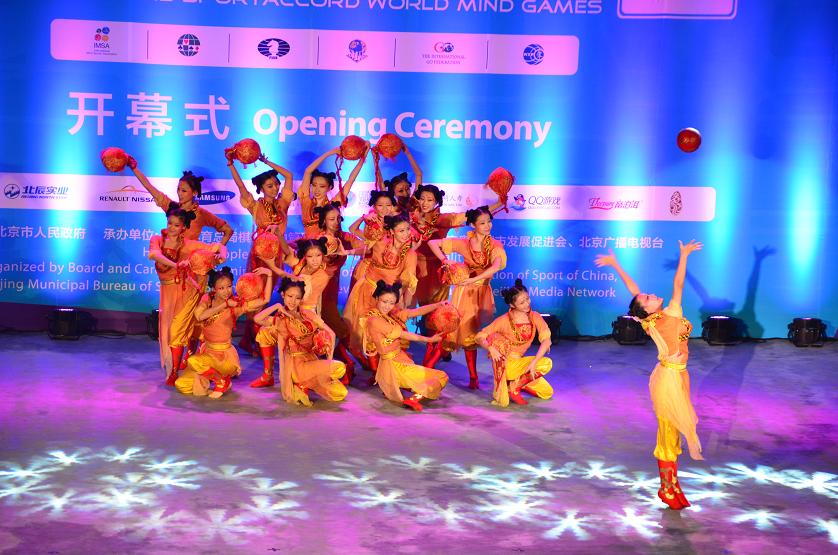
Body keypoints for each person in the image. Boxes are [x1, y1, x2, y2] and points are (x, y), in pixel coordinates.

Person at [594, 240, 704, 510]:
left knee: (673, 432)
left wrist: (616, 265)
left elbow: (634, 291)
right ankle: (666, 488)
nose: (651, 295)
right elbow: (678, 285)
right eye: (648, 298)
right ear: (646, 309)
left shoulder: (652, 317)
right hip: (669, 380)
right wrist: (684, 256)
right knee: (668, 433)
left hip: (677, 376)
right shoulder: (666, 316)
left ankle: (671, 485)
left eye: (649, 295)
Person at [427, 206, 507, 389]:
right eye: (482, 223)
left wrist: (474, 279)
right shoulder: (464, 243)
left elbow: (495, 267)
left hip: (481, 292)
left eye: (489, 222)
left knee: (469, 333)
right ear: (472, 225)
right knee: (456, 331)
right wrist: (446, 261)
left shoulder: (494, 245)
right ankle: (467, 377)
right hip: (464, 293)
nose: (487, 226)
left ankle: (471, 377)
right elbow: (433, 243)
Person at [147, 207, 227, 385]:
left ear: (183, 227)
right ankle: (184, 363)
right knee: (168, 331)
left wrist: (220, 255)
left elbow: (218, 247)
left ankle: (174, 372)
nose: (172, 227)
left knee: (176, 331)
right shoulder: (157, 240)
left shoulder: (188, 244)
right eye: (170, 223)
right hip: (168, 292)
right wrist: (176, 265)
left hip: (186, 292)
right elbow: (153, 255)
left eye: (177, 225)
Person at [226, 150, 296, 356]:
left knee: (266, 295)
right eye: (269, 186)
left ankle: (248, 340)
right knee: (255, 295)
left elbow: (289, 176)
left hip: (278, 255)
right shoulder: (256, 206)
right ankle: (254, 340)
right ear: (261, 188)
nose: (275, 188)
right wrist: (231, 165)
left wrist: (266, 161)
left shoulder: (282, 204)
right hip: (260, 257)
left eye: (275, 184)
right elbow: (240, 187)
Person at [174, 267, 273, 399]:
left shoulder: (237, 305)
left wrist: (269, 275)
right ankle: (214, 378)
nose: (226, 291)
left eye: (229, 287)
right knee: (181, 385)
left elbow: (265, 300)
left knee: (193, 361)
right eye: (221, 288)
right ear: (214, 289)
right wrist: (224, 305)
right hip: (207, 355)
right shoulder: (207, 299)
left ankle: (221, 381)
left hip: (224, 358)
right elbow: (199, 316)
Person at [253, 278, 348, 406]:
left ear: (301, 299)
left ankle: (304, 384)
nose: (293, 301)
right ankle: (299, 383)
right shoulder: (280, 319)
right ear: (283, 295)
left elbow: (331, 333)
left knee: (340, 393)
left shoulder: (307, 314)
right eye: (290, 296)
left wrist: (328, 360)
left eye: (297, 298)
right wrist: (277, 306)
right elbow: (257, 319)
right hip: (296, 365)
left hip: (311, 359)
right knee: (339, 367)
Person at [343, 213, 418, 372]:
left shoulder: (410, 254)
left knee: (389, 332)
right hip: (368, 291)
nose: (406, 234)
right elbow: (354, 231)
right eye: (401, 230)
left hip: (389, 296)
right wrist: (364, 218)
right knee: (365, 330)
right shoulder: (379, 242)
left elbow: (407, 280)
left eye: (407, 229)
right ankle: (373, 369)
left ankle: (386, 369)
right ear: (391, 231)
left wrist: (401, 301)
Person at [363, 281, 448, 411]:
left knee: (427, 380)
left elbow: (415, 312)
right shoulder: (374, 320)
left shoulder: (390, 315)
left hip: (400, 360)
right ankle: (413, 399)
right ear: (376, 298)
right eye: (384, 301)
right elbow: (403, 334)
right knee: (441, 376)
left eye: (391, 303)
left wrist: (438, 305)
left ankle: (395, 387)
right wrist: (429, 339)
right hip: (393, 366)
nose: (387, 306)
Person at [475, 280, 553, 407]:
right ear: (512, 305)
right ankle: (514, 386)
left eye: (527, 299)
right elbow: (479, 336)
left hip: (522, 366)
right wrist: (490, 348)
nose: (527, 304)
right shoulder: (503, 320)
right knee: (546, 363)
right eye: (522, 302)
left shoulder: (535, 316)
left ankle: (517, 382)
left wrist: (534, 362)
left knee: (547, 392)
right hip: (508, 365)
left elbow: (546, 340)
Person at [315, 202, 366, 383]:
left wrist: (348, 251)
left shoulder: (344, 237)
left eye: (338, 218)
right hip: (319, 288)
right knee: (335, 327)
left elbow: (366, 247)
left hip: (333, 286)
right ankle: (348, 363)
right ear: (323, 221)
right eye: (331, 219)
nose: (336, 222)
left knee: (334, 326)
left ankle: (343, 360)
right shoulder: (320, 239)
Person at [128, 157, 233, 244]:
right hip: (168, 259)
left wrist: (216, 252)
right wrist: (134, 168)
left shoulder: (201, 214)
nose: (179, 193)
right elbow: (148, 186)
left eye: (184, 191)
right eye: (178, 189)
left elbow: (228, 230)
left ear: (194, 193)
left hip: (189, 261)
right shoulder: (172, 207)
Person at [298, 143, 369, 237]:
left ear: (330, 187)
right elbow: (307, 172)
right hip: (310, 244)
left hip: (330, 244)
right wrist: (330, 153)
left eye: (322, 186)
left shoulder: (333, 204)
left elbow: (351, 180)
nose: (317, 190)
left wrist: (364, 156)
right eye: (314, 185)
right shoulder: (306, 202)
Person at [347, 190, 396, 292]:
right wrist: (363, 217)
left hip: (390, 268)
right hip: (369, 267)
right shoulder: (371, 225)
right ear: (374, 207)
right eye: (380, 205)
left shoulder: (397, 224)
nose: (384, 209)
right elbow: (352, 229)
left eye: (388, 205)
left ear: (392, 206)